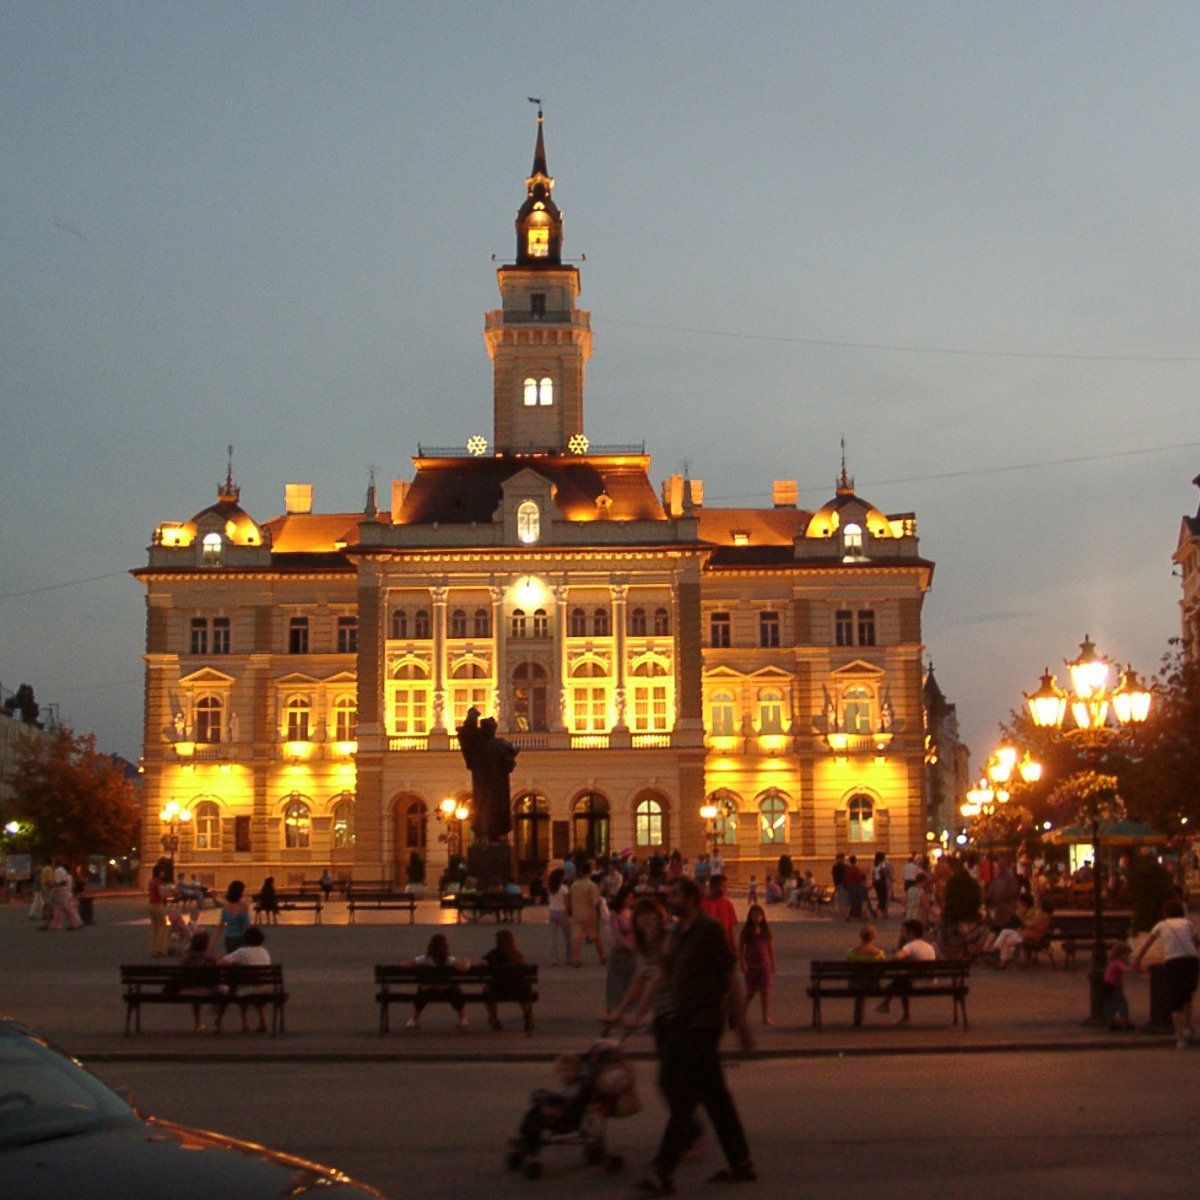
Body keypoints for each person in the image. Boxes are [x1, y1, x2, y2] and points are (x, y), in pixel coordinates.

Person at [635, 876, 755, 1195]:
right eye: (668, 894)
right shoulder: (678, 934)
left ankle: (663, 1173)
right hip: (685, 1021)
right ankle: (741, 1162)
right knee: (716, 1098)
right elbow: (665, 971)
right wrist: (654, 943)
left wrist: (741, 1023)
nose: (669, 900)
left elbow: (731, 973)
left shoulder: (708, 929)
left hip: (704, 1022)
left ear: (691, 898)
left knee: (686, 1097)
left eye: (675, 895)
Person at [1132, 898, 1200, 1048]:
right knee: (1187, 996)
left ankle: (1180, 1038)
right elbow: (1195, 941)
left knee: (1175, 1001)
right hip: (1191, 960)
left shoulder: (1161, 925)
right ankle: (1188, 1028)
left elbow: (1147, 944)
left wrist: (1137, 961)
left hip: (1173, 961)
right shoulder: (1188, 924)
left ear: (1166, 913)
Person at [456, 706, 517, 843]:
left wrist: (509, 761)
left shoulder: (499, 745)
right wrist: (472, 718)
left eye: (492, 729)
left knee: (497, 810)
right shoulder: (477, 744)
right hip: (483, 783)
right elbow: (467, 734)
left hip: (498, 785)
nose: (491, 731)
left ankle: (493, 835)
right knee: (483, 808)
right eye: (488, 729)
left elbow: (510, 762)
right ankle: (482, 834)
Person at [401, 933, 471, 1029]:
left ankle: (414, 1019)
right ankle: (462, 1018)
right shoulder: (448, 960)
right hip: (447, 990)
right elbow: (464, 969)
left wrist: (403, 962)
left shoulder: (424, 959)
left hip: (428, 990)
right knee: (456, 989)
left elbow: (406, 965)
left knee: (421, 991)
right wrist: (467, 963)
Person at [875, 919, 937, 1024]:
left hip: (917, 982)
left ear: (911, 932)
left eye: (904, 931)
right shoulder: (929, 946)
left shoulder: (910, 946)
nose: (902, 934)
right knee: (902, 980)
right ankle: (889, 1006)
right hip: (930, 980)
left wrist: (899, 953)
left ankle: (888, 1005)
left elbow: (897, 958)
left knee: (900, 980)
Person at [218, 925, 272, 1033]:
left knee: (240, 987)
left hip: (246, 988)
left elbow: (221, 963)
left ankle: (244, 1022)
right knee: (249, 986)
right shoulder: (264, 952)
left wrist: (220, 958)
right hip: (264, 987)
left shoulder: (241, 952)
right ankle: (262, 1020)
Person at [483, 928, 534, 1033]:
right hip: (517, 991)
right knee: (523, 990)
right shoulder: (518, 956)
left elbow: (482, 964)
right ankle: (527, 1013)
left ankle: (494, 1018)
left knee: (486, 990)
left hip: (496, 991)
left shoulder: (493, 954)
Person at [738, 904, 777, 1026]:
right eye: (755, 915)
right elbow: (740, 949)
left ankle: (765, 1017)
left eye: (760, 915)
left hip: (764, 964)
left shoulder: (765, 930)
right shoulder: (746, 931)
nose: (757, 917)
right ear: (750, 916)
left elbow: (770, 947)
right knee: (751, 992)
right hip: (751, 965)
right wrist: (743, 962)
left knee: (765, 992)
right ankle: (741, 1014)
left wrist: (773, 962)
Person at [605, 884, 638, 1019]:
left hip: (632, 954)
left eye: (632, 898)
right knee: (614, 983)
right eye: (628, 898)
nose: (630, 900)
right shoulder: (614, 915)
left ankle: (625, 1012)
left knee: (629, 983)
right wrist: (630, 946)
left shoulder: (633, 913)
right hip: (619, 952)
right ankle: (611, 1012)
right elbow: (617, 935)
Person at [180, 929, 220, 1033]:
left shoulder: (187, 959)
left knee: (196, 988)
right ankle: (219, 1020)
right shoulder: (211, 959)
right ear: (206, 945)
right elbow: (216, 978)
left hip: (189, 989)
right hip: (209, 989)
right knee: (223, 989)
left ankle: (198, 1022)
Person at [569, 861, 607, 967]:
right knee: (595, 936)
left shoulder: (574, 885)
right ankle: (602, 956)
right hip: (589, 915)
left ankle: (576, 959)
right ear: (590, 872)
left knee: (577, 938)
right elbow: (596, 901)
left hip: (577, 914)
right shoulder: (591, 885)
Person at [1103, 941, 1135, 1032]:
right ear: (1121, 954)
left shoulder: (1112, 962)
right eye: (1127, 955)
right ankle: (1125, 1021)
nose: (1127, 957)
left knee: (1110, 1003)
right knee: (1122, 1003)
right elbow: (1124, 969)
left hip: (1108, 985)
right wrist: (1133, 968)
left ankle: (1111, 1021)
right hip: (1114, 986)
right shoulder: (1118, 962)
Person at [546, 867, 572, 966]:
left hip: (552, 911)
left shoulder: (551, 888)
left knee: (553, 937)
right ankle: (569, 958)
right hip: (562, 911)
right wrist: (570, 911)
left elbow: (549, 900)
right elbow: (567, 902)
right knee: (567, 935)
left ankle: (554, 959)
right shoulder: (564, 888)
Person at [48, 860, 83, 931]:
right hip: (66, 892)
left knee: (64, 908)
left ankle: (75, 923)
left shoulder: (58, 871)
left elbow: (62, 882)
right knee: (63, 908)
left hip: (61, 891)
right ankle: (76, 923)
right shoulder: (65, 873)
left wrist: (53, 885)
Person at [219, 880, 252, 954]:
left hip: (229, 938)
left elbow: (220, 926)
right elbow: (246, 926)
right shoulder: (244, 907)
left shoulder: (226, 907)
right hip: (240, 938)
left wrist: (212, 943)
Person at [147, 864, 170, 956]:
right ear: (159, 872)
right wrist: (166, 895)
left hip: (150, 905)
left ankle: (153, 949)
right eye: (162, 871)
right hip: (157, 905)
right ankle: (160, 949)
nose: (163, 873)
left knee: (154, 927)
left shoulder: (151, 881)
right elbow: (161, 894)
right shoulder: (157, 882)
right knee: (162, 925)